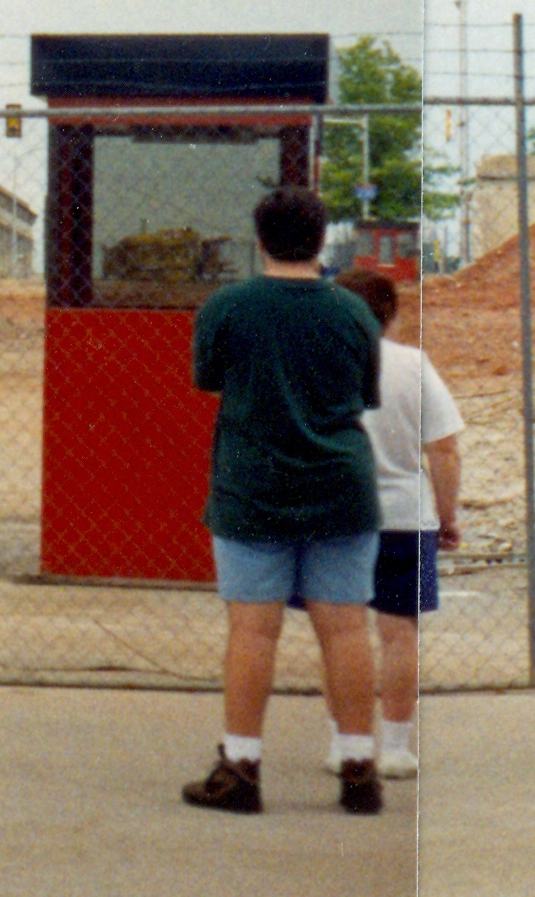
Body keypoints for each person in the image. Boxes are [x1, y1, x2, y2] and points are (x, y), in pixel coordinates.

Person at [181, 187, 388, 817]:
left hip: (253, 487)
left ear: (259, 237)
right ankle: (359, 769)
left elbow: (207, 379)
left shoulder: (228, 307)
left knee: (252, 629)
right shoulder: (353, 312)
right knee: (348, 627)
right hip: (340, 486)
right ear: (322, 239)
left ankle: (241, 767)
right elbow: (364, 394)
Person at [331, 270, 465, 780]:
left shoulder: (323, 364)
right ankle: (394, 747)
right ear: (393, 314)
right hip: (405, 517)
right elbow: (445, 448)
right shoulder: (414, 366)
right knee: (398, 636)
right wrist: (447, 516)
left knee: (341, 634)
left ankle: (346, 744)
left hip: (337, 515)